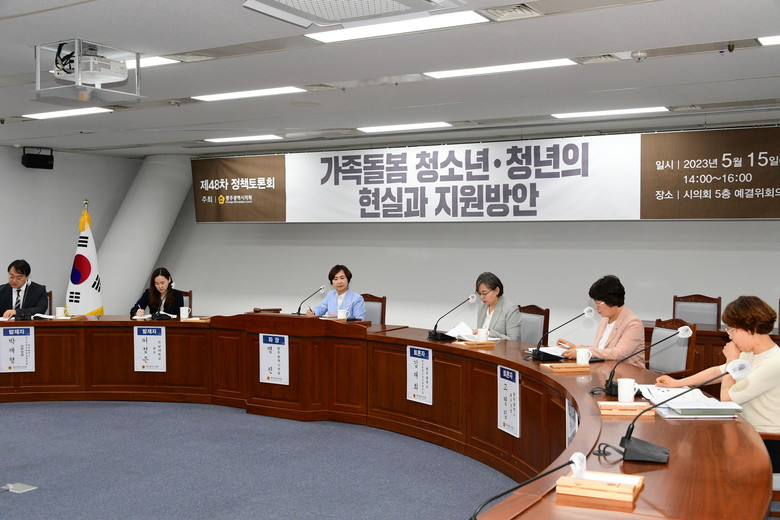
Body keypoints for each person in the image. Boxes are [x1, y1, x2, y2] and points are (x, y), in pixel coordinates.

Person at [656, 296, 780, 433]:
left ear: (752, 328)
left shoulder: (774, 363)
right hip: (744, 429)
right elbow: (717, 372)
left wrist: (731, 360)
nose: (730, 336)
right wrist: (677, 383)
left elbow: (727, 401)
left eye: (732, 329)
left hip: (765, 437)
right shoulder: (750, 353)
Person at [558, 274, 644, 365]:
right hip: (604, 369)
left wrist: (584, 353)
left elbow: (619, 353)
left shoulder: (633, 323)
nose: (596, 307)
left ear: (611, 300)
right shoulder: (605, 319)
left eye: (598, 303)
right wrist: (574, 347)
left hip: (627, 372)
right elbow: (600, 350)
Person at [473, 272, 521, 341]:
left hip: (499, 347)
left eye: (484, 293)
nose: (481, 297)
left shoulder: (510, 309)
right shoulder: (482, 305)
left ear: (497, 290)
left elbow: (514, 340)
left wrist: (490, 333)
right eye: (479, 293)